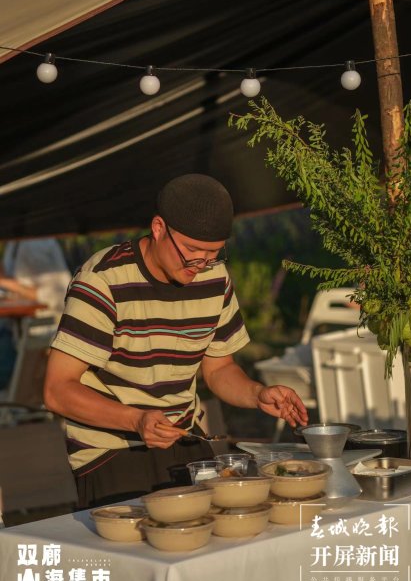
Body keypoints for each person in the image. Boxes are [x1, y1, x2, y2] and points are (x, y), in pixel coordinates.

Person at [44, 174, 308, 508]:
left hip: (184, 439)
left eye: (213, 254)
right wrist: (137, 420)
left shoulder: (214, 277)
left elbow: (218, 369)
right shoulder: (102, 282)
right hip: (110, 451)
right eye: (192, 252)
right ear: (158, 228)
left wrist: (257, 394)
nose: (200, 265)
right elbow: (57, 390)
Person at [0, 238, 71, 390]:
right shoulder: (15, 244)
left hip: (40, 335)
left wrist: (5, 282)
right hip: (21, 332)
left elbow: (57, 293)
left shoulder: (34, 245)